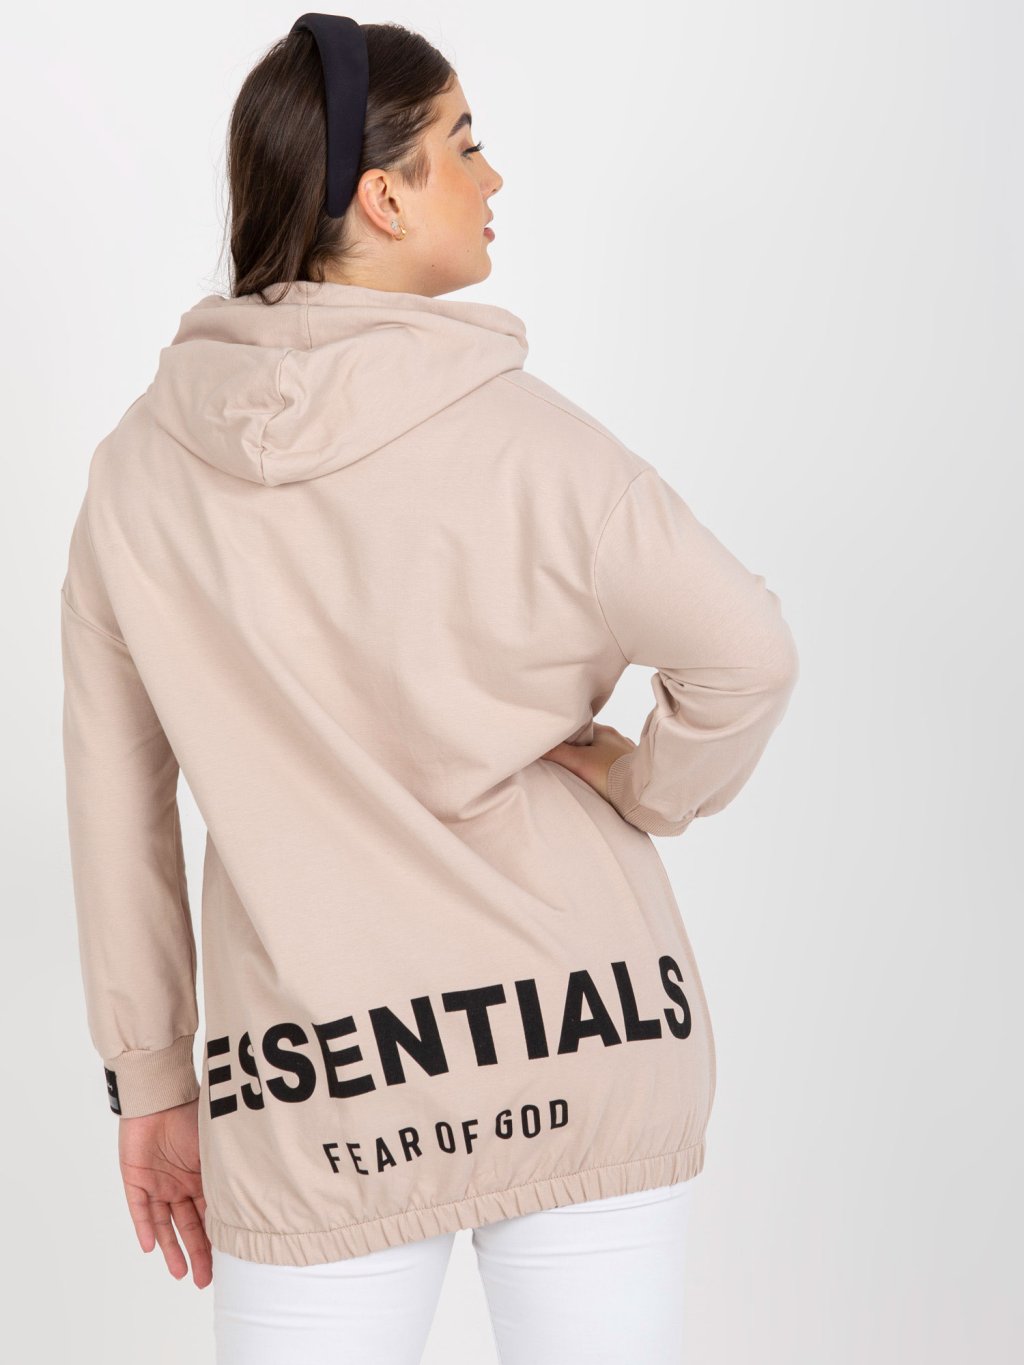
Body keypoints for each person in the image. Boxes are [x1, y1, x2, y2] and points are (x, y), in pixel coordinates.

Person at [59, 15, 799, 1364]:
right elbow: (746, 652)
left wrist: (154, 1074)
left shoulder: (136, 476)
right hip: (583, 1031)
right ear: (383, 196)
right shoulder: (534, 441)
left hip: (315, 1081)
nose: (493, 177)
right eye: (466, 145)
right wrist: (648, 785)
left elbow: (119, 801)